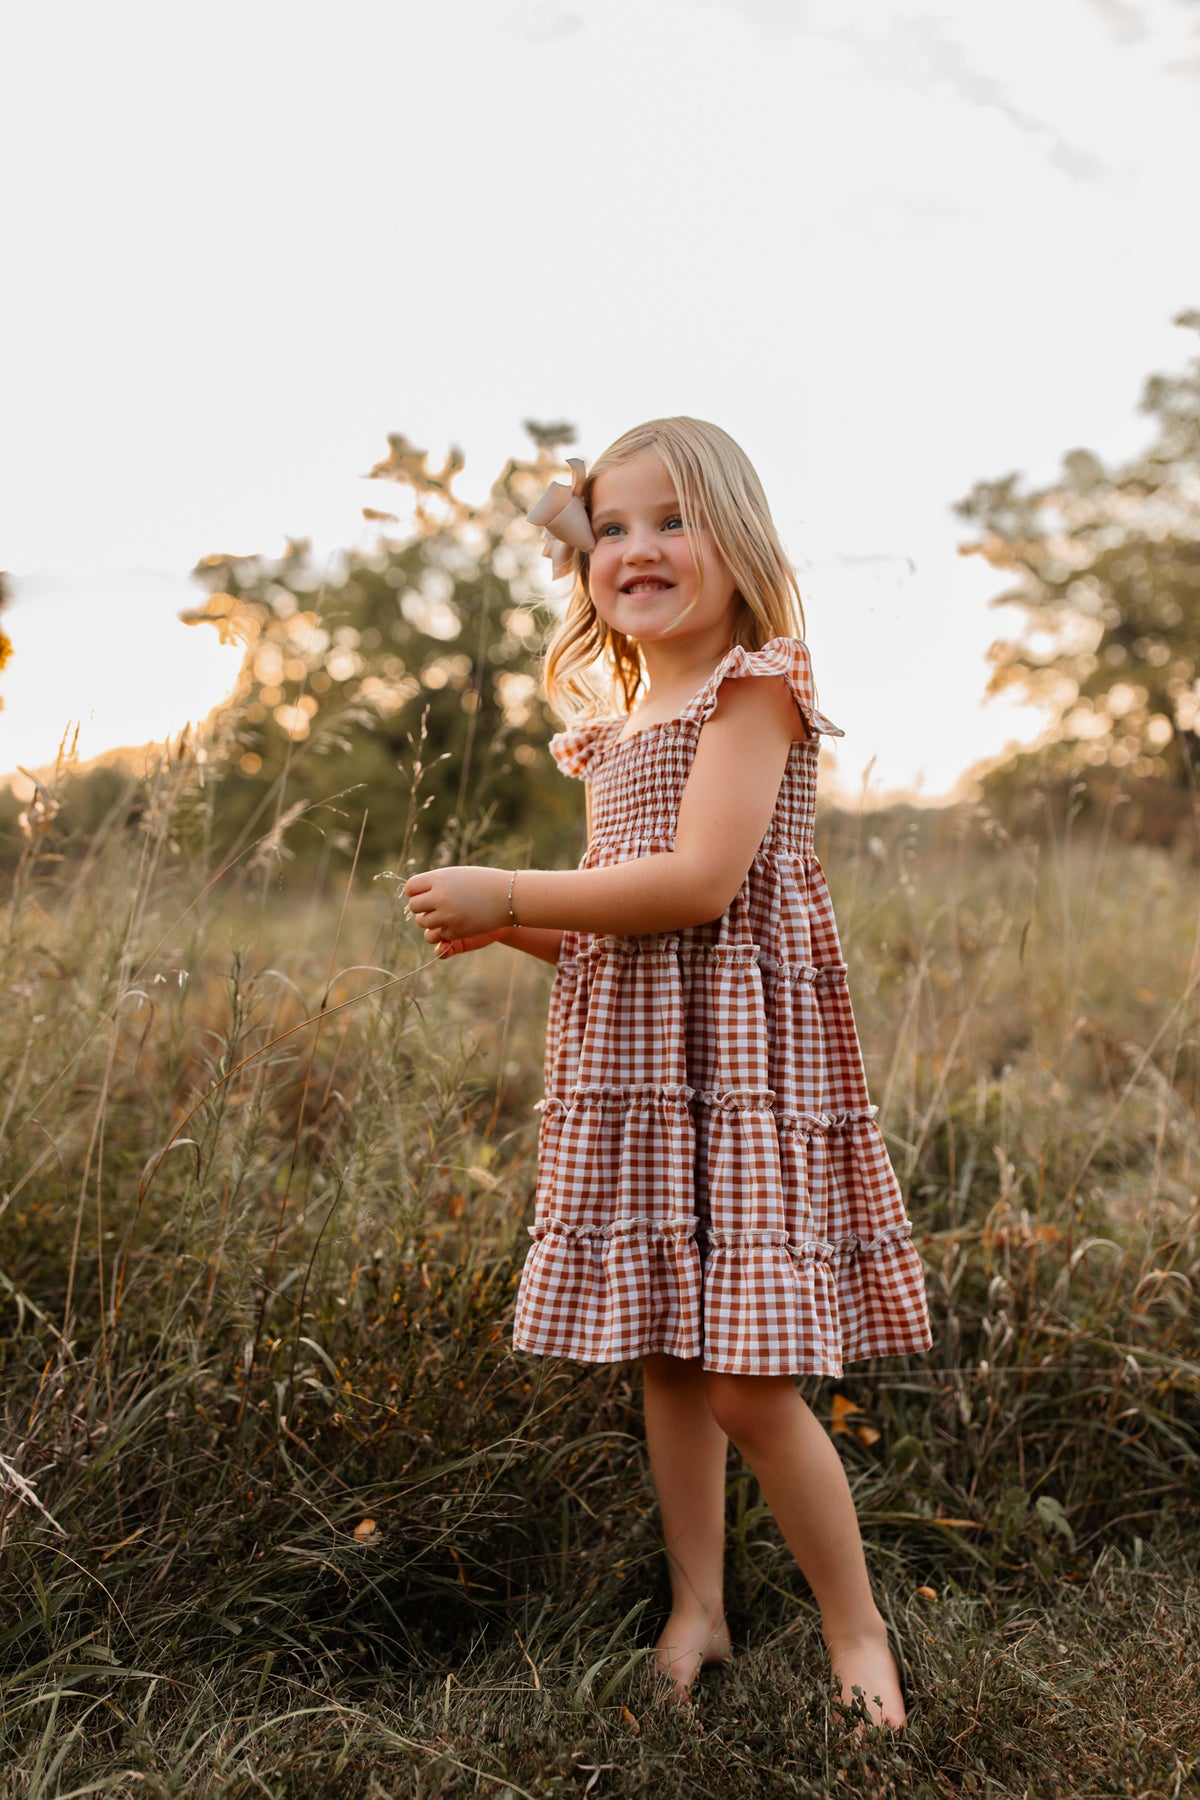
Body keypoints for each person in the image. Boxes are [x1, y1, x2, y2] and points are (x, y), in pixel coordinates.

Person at [405, 417, 932, 1726]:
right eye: (613, 528)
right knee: (669, 1356)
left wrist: (518, 882)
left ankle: (857, 1632)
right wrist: (504, 920)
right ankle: (696, 1600)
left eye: (673, 520)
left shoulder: (754, 690)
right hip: (645, 1075)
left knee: (752, 1380)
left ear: (739, 548)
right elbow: (616, 924)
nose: (638, 548)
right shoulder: (621, 724)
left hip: (743, 1080)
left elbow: (698, 887)